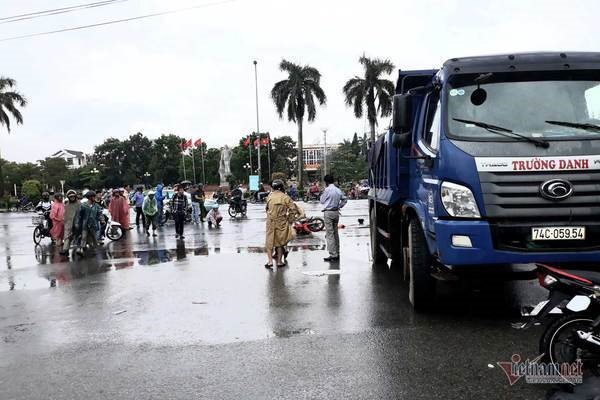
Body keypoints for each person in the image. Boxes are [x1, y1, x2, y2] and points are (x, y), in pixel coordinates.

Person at [264, 179, 303, 269]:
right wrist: (290, 219)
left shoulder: (269, 196)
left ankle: (269, 262)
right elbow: (293, 209)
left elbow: (266, 209)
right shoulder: (285, 197)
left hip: (270, 221)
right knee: (280, 242)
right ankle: (279, 262)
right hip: (281, 221)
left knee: (269, 241)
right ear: (281, 187)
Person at [320, 175, 347, 262]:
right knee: (335, 233)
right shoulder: (338, 190)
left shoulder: (327, 190)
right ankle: (337, 252)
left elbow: (322, 201)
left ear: (326, 182)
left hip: (328, 212)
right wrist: (339, 206)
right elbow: (344, 199)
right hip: (336, 212)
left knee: (330, 234)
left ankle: (333, 254)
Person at [61, 190, 81, 255]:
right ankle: (65, 249)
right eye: (70, 197)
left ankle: (81, 249)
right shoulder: (66, 205)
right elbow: (65, 215)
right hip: (68, 223)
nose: (72, 198)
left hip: (78, 223)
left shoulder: (79, 204)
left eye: (73, 196)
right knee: (67, 236)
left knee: (79, 237)